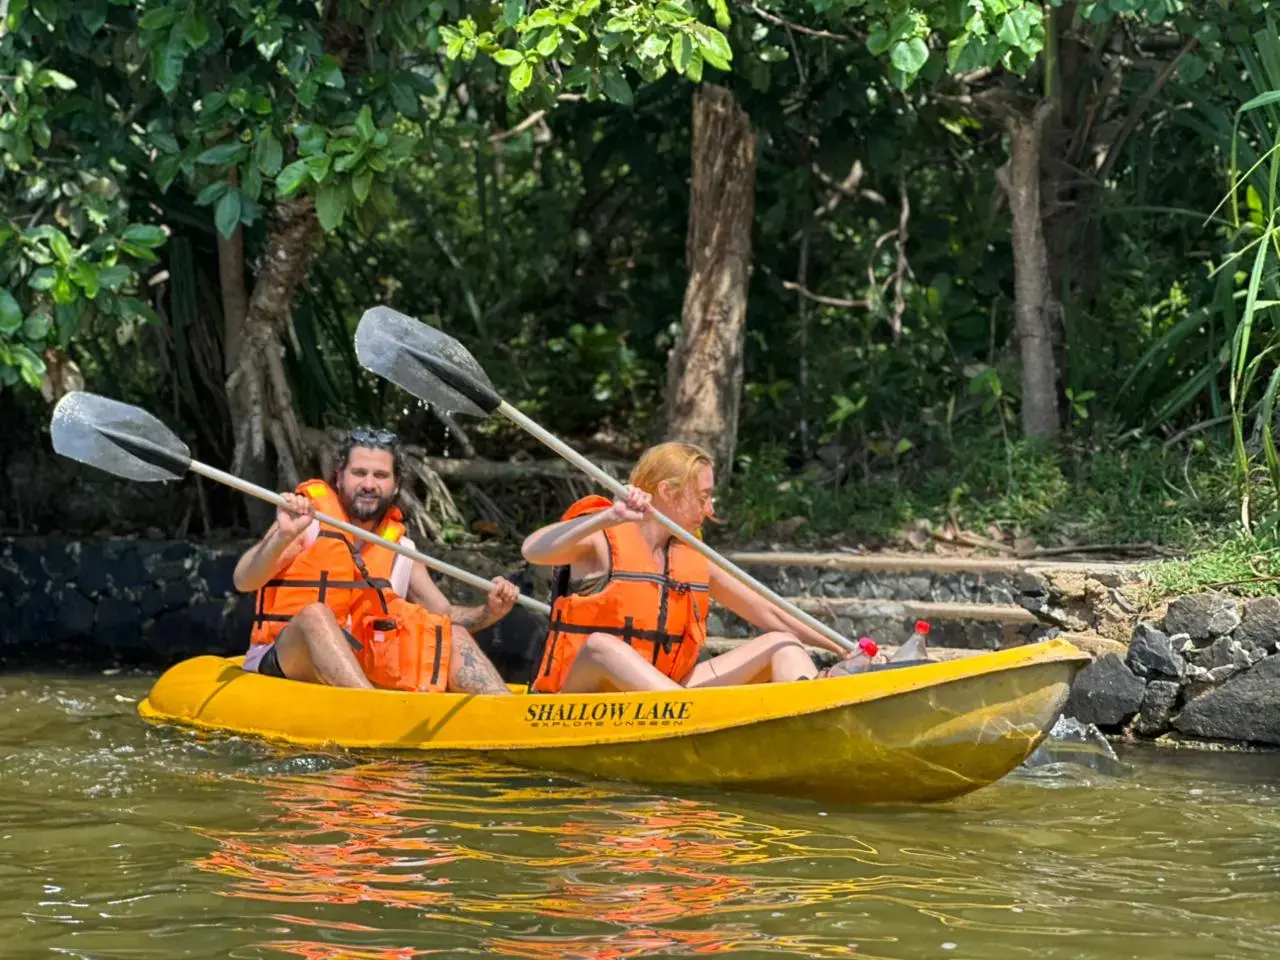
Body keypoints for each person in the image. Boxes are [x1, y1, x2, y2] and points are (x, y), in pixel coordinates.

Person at [520, 441, 857, 693]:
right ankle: (691, 715)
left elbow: (769, 611)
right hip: (580, 699)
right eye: (703, 496)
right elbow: (533, 550)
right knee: (601, 646)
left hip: (668, 692)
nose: (709, 509)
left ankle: (813, 708)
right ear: (667, 491)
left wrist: (841, 647)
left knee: (781, 641)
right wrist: (609, 516)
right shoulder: (601, 540)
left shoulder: (692, 556)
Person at [232, 426, 518, 694]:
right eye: (359, 473)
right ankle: (370, 710)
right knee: (315, 615)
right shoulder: (306, 522)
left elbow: (445, 613)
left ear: (395, 486)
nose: (369, 484)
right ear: (340, 477)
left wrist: (489, 611)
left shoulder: (401, 548)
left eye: (380, 476)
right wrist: (281, 537)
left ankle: (509, 717)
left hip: (361, 662)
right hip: (284, 654)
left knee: (450, 633)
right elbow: (244, 580)